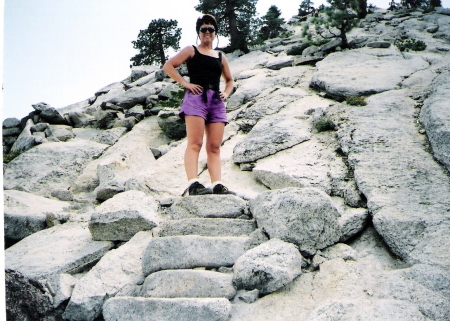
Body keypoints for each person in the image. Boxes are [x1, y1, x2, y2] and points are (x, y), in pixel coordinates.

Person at [163, 14, 235, 196]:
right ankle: (193, 184)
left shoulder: (220, 56)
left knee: (214, 146)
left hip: (216, 102)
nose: (207, 32)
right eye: (203, 29)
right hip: (196, 99)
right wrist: (186, 84)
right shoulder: (191, 50)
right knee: (195, 143)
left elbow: (230, 80)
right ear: (199, 32)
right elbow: (169, 66)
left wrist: (225, 93)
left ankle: (217, 184)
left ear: (215, 32)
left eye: (211, 29)